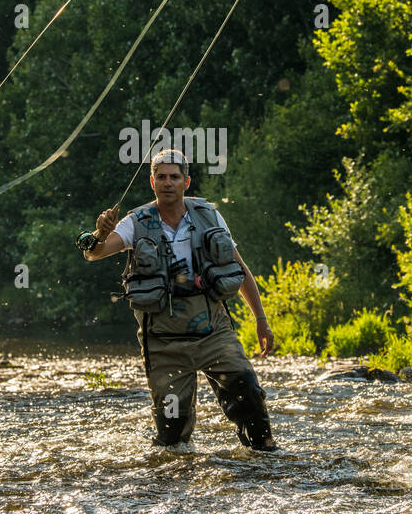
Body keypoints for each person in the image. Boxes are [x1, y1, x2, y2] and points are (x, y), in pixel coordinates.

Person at [79, 148, 277, 451]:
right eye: (161, 177)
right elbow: (94, 253)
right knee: (172, 437)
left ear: (187, 181)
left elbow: (240, 269)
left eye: (174, 177)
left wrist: (261, 320)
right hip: (164, 343)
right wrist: (100, 232)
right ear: (152, 182)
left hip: (214, 334)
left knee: (250, 401)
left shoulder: (209, 215)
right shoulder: (136, 222)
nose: (167, 182)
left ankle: (266, 467)